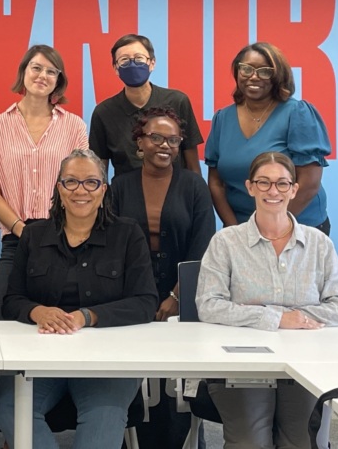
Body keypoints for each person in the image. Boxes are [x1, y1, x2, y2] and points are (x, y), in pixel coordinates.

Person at [0, 149, 157, 449]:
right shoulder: (33, 234)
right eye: (71, 182)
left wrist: (87, 316)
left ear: (103, 190)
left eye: (91, 183)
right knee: (9, 408)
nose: (81, 190)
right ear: (59, 188)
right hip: (39, 359)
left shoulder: (127, 234)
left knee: (100, 428)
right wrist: (37, 312)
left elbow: (145, 302)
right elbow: (11, 300)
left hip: (107, 361)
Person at [197, 151, 338, 449]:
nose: (273, 191)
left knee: (299, 442)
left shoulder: (319, 244)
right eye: (264, 182)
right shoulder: (226, 242)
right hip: (240, 368)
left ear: (294, 189)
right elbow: (209, 305)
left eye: (282, 184)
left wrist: (269, 313)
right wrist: (278, 319)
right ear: (250, 187)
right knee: (250, 443)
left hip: (304, 365)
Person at [111, 107, 215, 449]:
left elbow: (202, 248)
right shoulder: (120, 185)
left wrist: (175, 297)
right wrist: (136, 300)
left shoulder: (194, 185)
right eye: (156, 137)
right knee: (134, 378)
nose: (165, 145)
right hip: (131, 295)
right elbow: (112, 246)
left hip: (180, 295)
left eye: (173, 139)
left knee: (175, 382)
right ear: (139, 142)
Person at [0, 44, 89, 321]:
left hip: (66, 239)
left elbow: (83, 185)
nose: (43, 76)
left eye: (52, 71)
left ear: (58, 80)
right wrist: (20, 229)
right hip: (17, 240)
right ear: (24, 72)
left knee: (63, 325)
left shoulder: (74, 126)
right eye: (36, 68)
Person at [206, 42, 332, 233]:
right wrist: (235, 230)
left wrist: (270, 227)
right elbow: (216, 183)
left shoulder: (297, 113)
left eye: (264, 71)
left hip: (298, 226)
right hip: (242, 230)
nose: (253, 76)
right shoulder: (222, 118)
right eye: (246, 69)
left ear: (278, 77)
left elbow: (309, 184)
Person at [89, 33, 203, 178]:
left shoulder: (177, 101)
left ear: (152, 63)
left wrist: (198, 197)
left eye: (139, 58)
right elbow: (100, 170)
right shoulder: (104, 112)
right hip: (125, 196)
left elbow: (193, 164)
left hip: (176, 194)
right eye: (124, 60)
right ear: (116, 68)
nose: (132, 64)